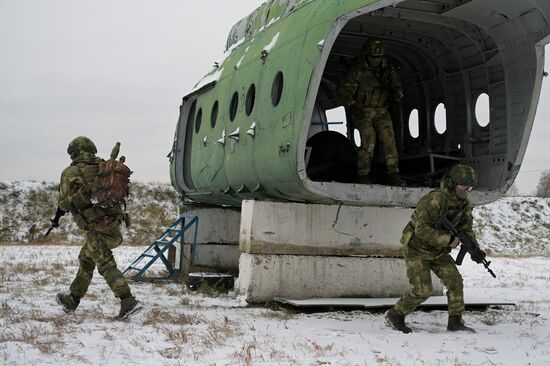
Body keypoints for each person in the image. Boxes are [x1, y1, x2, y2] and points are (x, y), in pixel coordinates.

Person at [385, 164, 486, 333]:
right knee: (423, 291)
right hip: (416, 248)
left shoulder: (464, 206)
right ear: (453, 184)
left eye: (470, 188)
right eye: (463, 188)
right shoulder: (433, 200)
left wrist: (475, 249)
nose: (467, 192)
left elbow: (467, 230)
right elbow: (421, 230)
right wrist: (449, 240)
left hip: (438, 251)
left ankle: (455, 321)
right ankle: (395, 314)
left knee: (455, 281)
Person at [54, 136, 142, 320]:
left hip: (95, 225)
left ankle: (128, 301)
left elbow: (63, 204)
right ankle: (73, 299)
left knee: (104, 263)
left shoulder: (70, 172)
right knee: (86, 258)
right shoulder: (106, 166)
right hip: (114, 221)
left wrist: (64, 208)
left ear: (74, 153)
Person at [339, 39, 404, 185]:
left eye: (378, 57)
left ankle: (394, 173)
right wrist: (353, 106)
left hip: (382, 110)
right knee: (369, 140)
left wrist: (394, 92)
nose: (375, 60)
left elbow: (399, 90)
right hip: (364, 110)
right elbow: (344, 90)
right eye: (373, 57)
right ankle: (362, 175)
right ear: (367, 55)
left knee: (389, 140)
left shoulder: (388, 70)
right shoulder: (358, 70)